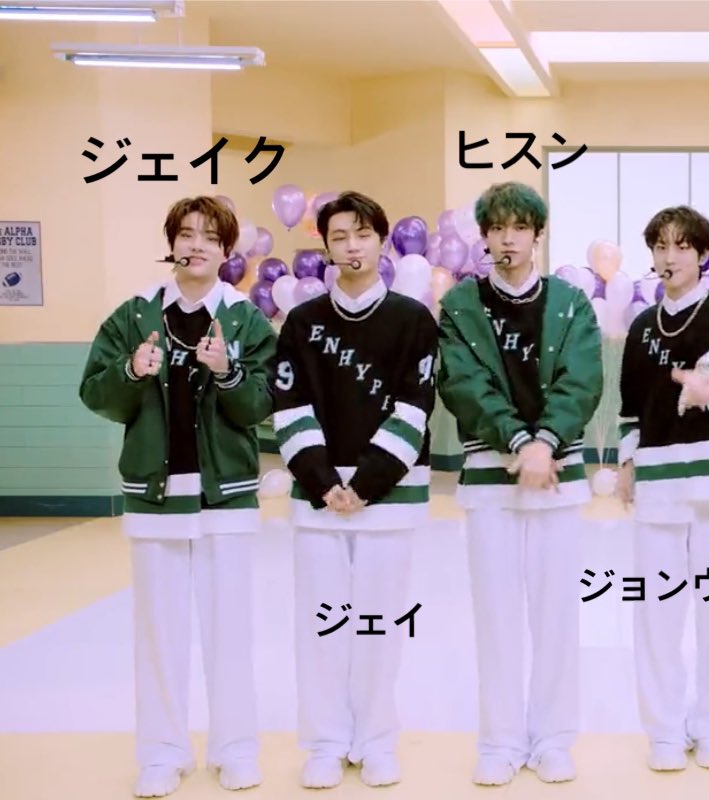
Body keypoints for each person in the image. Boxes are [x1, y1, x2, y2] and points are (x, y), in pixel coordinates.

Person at [79, 196, 274, 797]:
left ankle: (235, 749)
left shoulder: (245, 319)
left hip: (227, 496)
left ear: (226, 250)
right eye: (186, 235)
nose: (196, 245)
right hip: (155, 499)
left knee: (229, 633)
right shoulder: (134, 315)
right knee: (159, 635)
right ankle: (162, 752)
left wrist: (228, 372)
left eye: (210, 237)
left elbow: (263, 403)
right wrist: (131, 371)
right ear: (172, 244)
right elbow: (95, 393)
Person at [437, 181, 603, 786]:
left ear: (537, 235)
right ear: (485, 236)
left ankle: (553, 739)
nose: (508, 238)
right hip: (491, 479)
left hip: (557, 479)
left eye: (519, 227)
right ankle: (500, 742)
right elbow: (462, 384)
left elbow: (582, 381)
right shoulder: (460, 304)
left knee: (556, 617)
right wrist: (518, 442)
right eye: (497, 228)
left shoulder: (571, 301)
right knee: (496, 618)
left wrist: (545, 443)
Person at [272, 191, 438, 789]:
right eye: (339, 236)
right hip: (318, 501)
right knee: (322, 623)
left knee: (378, 622)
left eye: (363, 234)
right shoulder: (302, 322)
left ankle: (376, 741)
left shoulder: (413, 320)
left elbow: (416, 405)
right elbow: (288, 405)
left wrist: (366, 483)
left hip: (387, 499)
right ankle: (324, 743)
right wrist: (323, 483)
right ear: (325, 246)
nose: (351, 246)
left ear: (382, 242)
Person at [616, 205, 709, 771]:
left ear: (702, 254)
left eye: (682, 246)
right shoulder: (639, 327)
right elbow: (630, 409)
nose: (670, 256)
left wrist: (707, 375)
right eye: (661, 246)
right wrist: (627, 462)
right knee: (657, 615)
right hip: (658, 486)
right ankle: (664, 731)